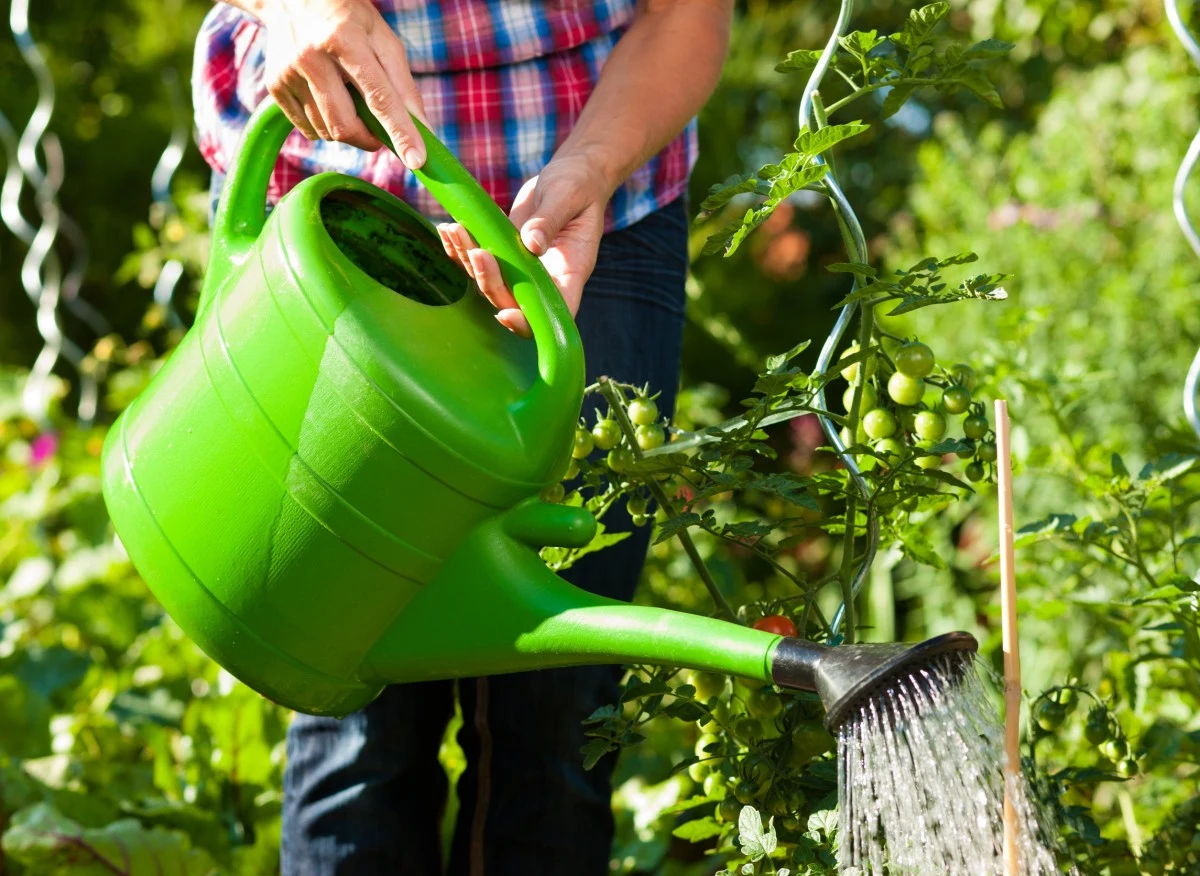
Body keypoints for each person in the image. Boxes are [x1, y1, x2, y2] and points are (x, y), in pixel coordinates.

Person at [192, 1, 733, 872]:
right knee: (352, 716)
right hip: (328, 208)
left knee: (556, 719)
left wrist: (592, 168)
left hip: (586, 199)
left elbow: (686, 11)